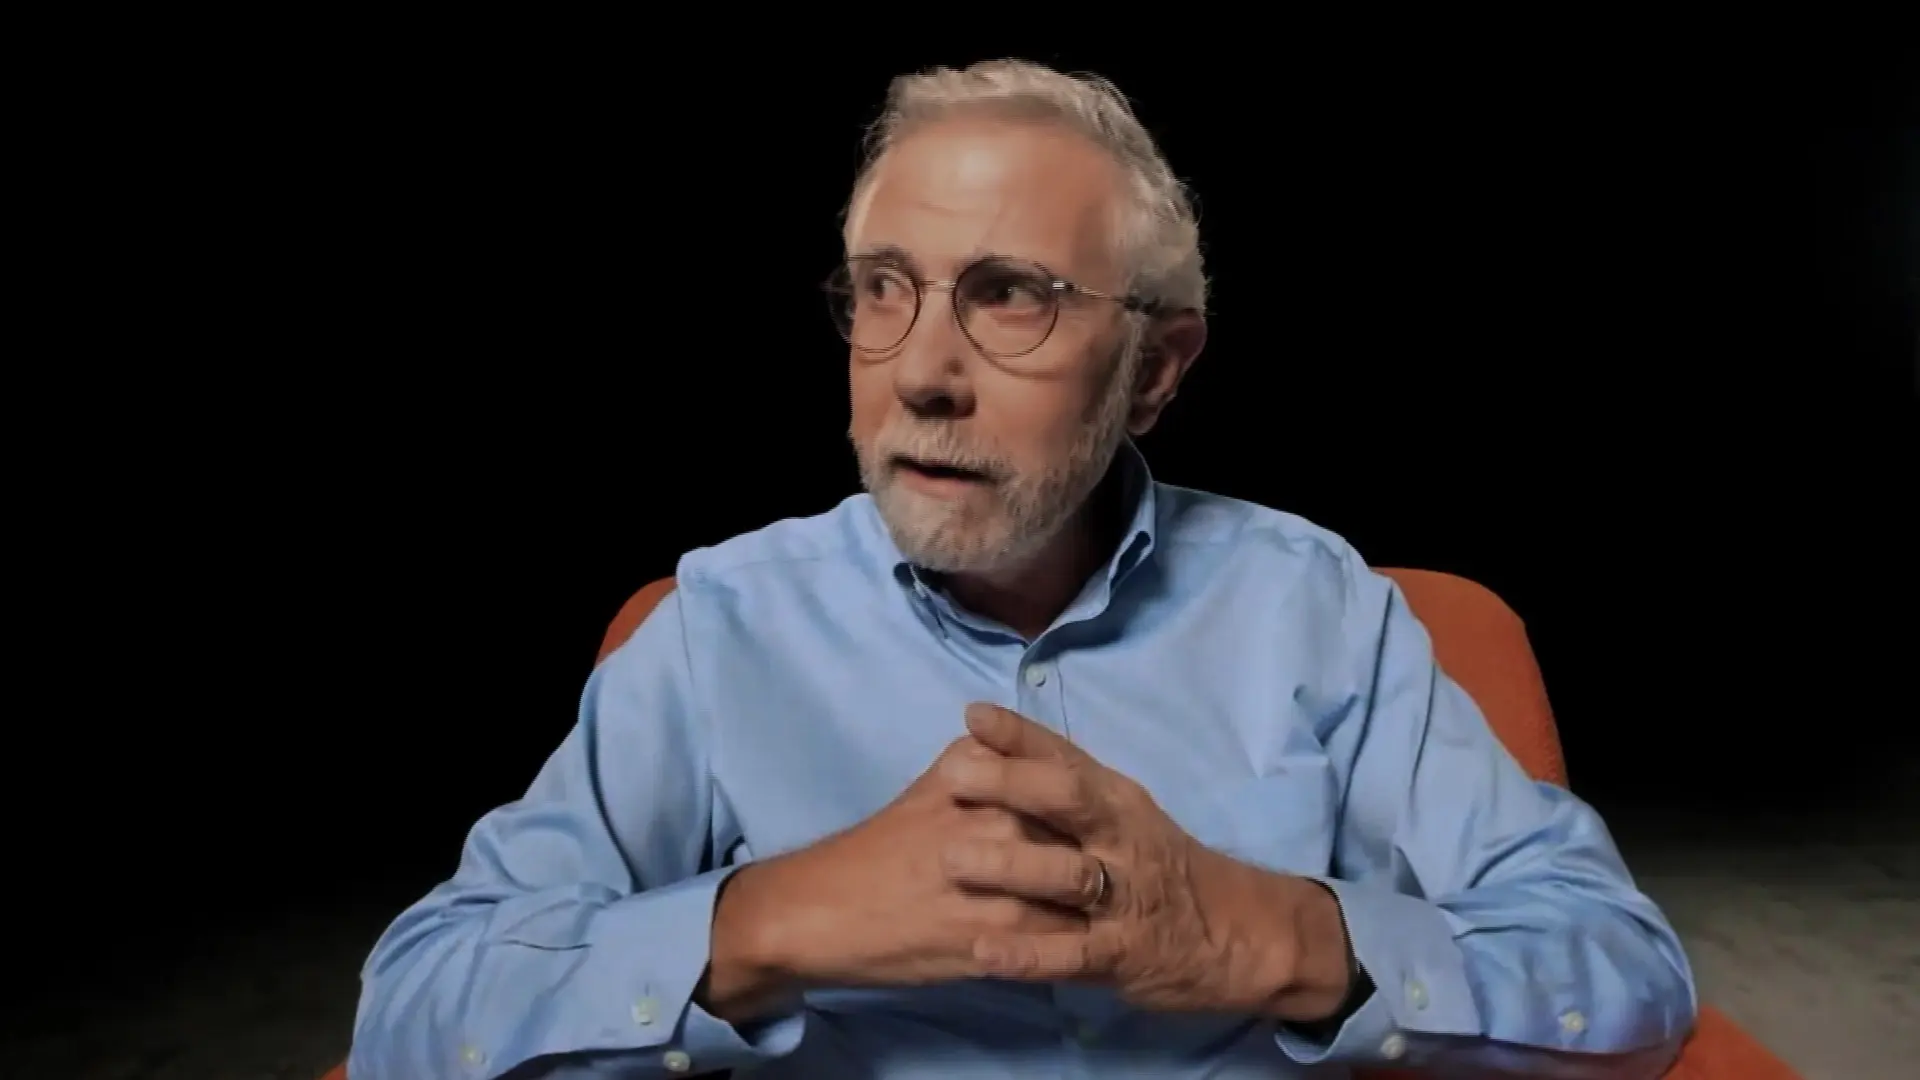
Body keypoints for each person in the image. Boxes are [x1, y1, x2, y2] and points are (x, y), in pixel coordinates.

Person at [349, 60, 1696, 1079]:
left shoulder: (1319, 610)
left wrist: (1265, 936)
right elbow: (416, 1005)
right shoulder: (721, 629)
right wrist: (770, 924)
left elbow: (1621, 964)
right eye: (885, 288)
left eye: (1010, 295)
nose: (922, 375)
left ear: (1155, 369)